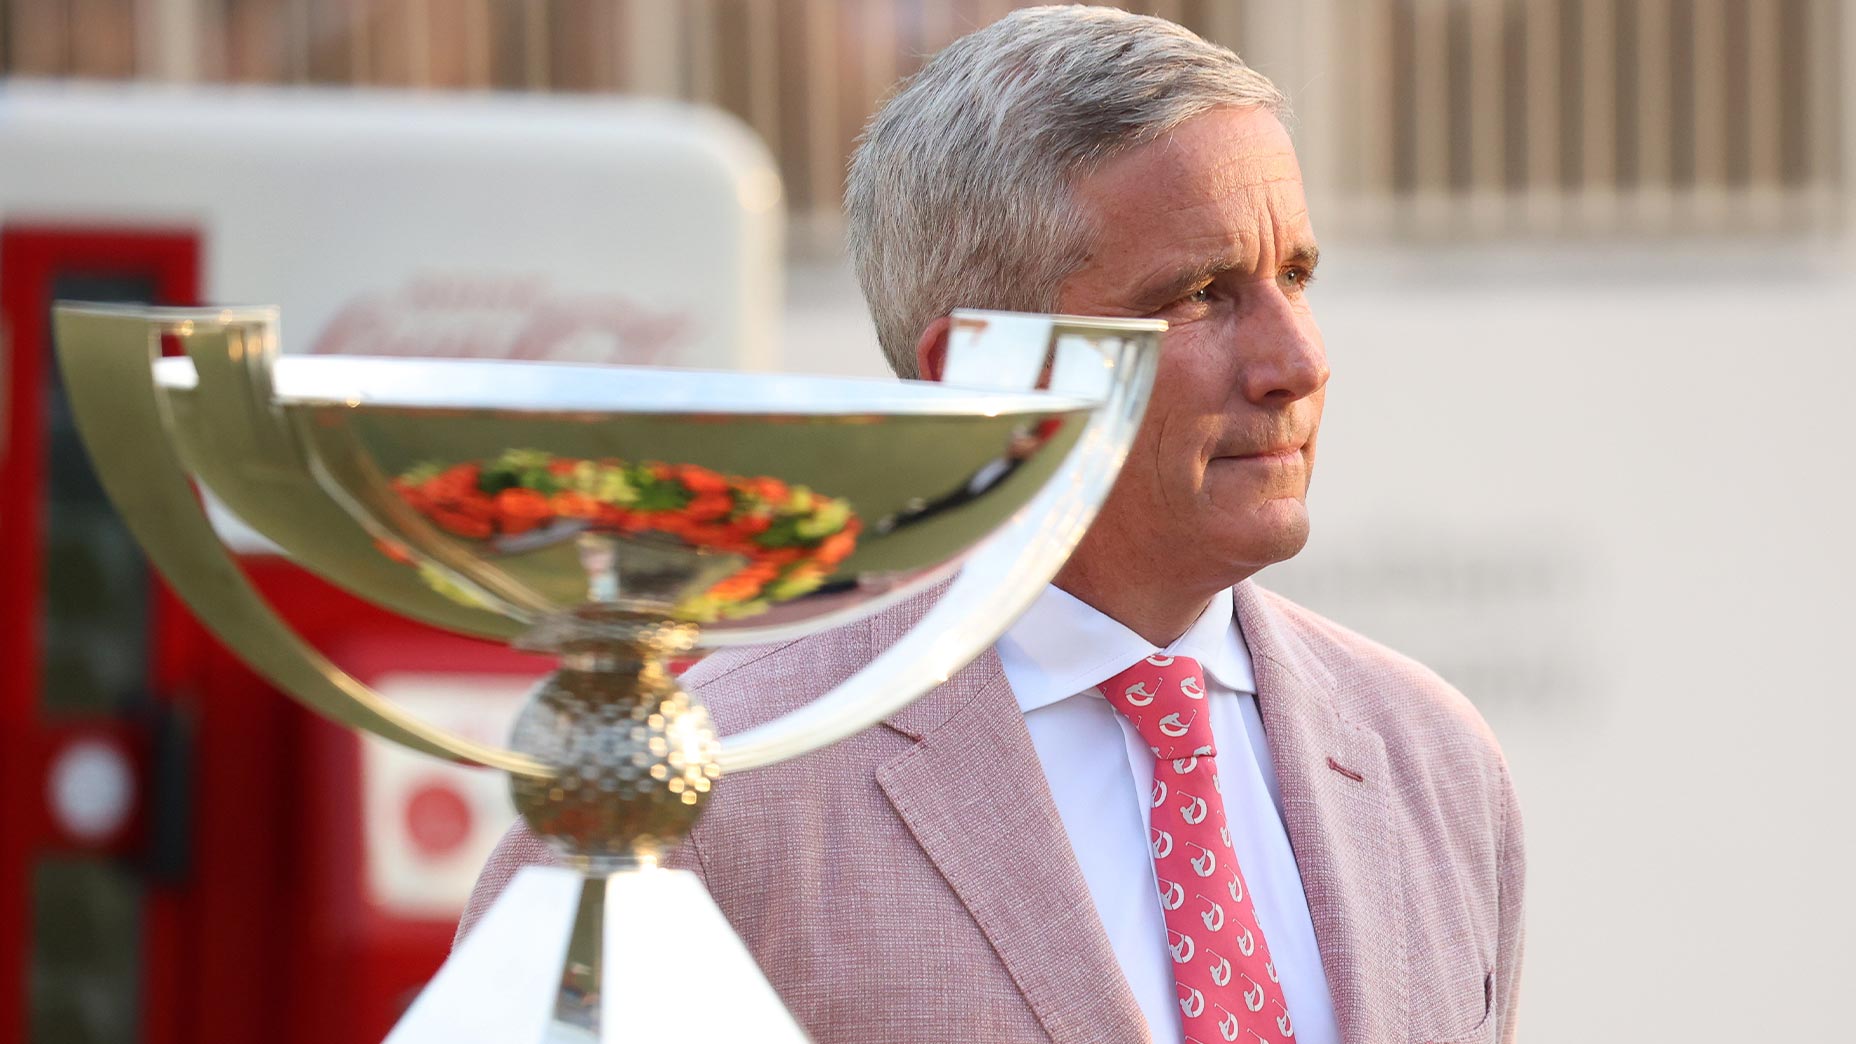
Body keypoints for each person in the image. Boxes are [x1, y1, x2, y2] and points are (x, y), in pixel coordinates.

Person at [461, 7, 1524, 1043]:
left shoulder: (1427, 759)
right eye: (1200, 295)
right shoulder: (703, 799)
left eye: (1294, 274)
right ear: (981, 374)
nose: (1295, 362)